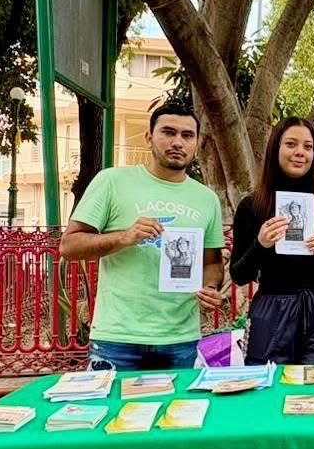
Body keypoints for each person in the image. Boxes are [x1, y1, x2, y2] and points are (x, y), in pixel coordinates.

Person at [60, 102, 225, 371]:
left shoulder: (207, 199)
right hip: (118, 337)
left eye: (187, 135)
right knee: (113, 401)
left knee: (180, 401)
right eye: (168, 132)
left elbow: (212, 262)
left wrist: (210, 289)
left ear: (196, 144)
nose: (177, 142)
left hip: (181, 339)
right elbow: (69, 246)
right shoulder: (112, 181)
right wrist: (124, 237)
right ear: (149, 137)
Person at [230, 117, 314, 364]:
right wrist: (260, 245)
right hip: (272, 309)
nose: (300, 152)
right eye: (291, 144)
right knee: (271, 383)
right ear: (275, 148)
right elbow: (239, 275)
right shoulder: (252, 205)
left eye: (308, 147)